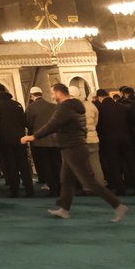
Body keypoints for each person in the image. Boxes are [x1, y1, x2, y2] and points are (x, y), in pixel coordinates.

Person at [21, 83, 128, 222]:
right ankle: (64, 209)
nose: (52, 96)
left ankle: (118, 206)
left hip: (73, 148)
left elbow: (52, 125)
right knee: (66, 180)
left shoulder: (64, 108)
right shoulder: (77, 106)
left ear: (59, 93)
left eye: (53, 93)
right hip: (73, 147)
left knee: (88, 182)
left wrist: (33, 137)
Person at [0, 90, 34, 197]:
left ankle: (15, 190)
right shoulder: (17, 104)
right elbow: (24, 121)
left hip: (5, 140)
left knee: (10, 165)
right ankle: (30, 189)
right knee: (23, 165)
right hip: (20, 139)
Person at [26, 87, 61, 195]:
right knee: (57, 164)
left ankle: (52, 188)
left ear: (32, 96)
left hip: (40, 141)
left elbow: (28, 124)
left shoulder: (31, 107)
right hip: (54, 140)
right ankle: (60, 186)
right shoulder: (53, 106)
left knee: (46, 165)